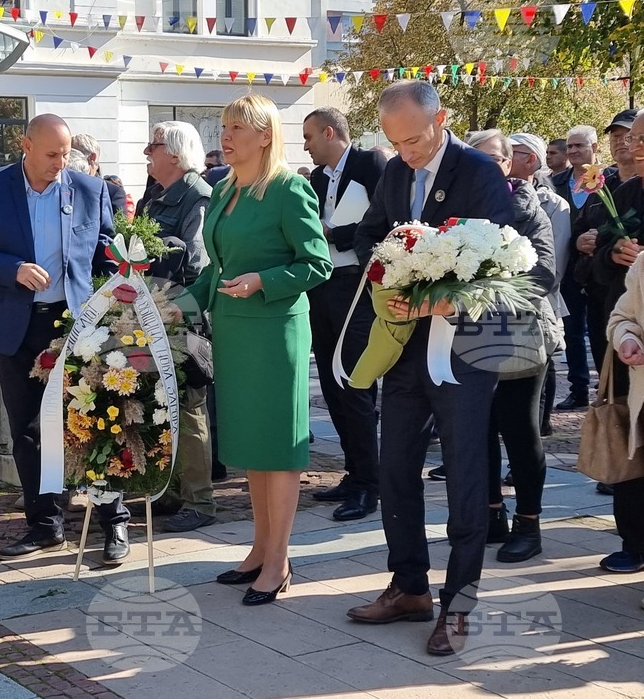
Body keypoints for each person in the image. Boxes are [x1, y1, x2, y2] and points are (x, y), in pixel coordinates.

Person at [349, 81, 513, 656]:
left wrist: (446, 294)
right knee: (394, 464)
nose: (407, 153)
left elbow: (506, 256)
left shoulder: (478, 172)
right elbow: (372, 233)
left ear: (442, 118)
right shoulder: (394, 172)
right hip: (405, 347)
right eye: (396, 143)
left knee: (466, 473)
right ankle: (409, 585)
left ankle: (458, 604)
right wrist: (390, 268)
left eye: (415, 140)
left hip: (466, 348)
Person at [0, 113, 133, 564]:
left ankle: (114, 520)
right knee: (29, 431)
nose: (61, 162)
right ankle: (45, 525)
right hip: (15, 324)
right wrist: (11, 270)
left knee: (96, 423)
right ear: (26, 145)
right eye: (52, 153)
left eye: (66, 153)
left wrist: (126, 281)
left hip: (76, 325)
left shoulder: (89, 190)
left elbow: (108, 253)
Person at [190, 94, 331, 606]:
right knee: (252, 446)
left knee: (278, 447)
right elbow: (218, 269)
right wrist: (170, 302)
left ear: (265, 135)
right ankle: (258, 549)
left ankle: (279, 561)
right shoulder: (225, 188)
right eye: (224, 126)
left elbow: (317, 264)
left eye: (237, 128)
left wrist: (263, 281)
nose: (225, 136)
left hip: (275, 333)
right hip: (233, 330)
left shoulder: (290, 189)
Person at [467, 129, 558, 563]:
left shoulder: (528, 209)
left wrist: (486, 289)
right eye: (475, 160)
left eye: (493, 160)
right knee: (478, 428)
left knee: (519, 430)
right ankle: (491, 514)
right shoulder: (459, 210)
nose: (483, 169)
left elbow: (544, 275)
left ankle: (529, 522)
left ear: (508, 164)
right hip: (468, 335)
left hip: (519, 332)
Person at [302, 107, 388, 521]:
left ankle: (372, 485)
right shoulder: (318, 179)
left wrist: (336, 233)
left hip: (359, 286)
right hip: (324, 287)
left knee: (356, 384)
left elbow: (387, 219)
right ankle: (354, 473)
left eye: (309, 136)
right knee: (333, 386)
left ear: (330, 132)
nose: (305, 145)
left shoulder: (370, 162)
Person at [136, 121, 217, 533]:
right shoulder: (154, 195)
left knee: (188, 407)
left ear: (175, 153)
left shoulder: (198, 195)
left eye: (153, 146)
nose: (147, 153)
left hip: (180, 314)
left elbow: (198, 265)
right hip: (148, 311)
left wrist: (174, 302)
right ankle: (169, 489)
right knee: (158, 406)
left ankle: (200, 501)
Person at [590, 111, 644, 573]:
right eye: (634, 138)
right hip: (627, 336)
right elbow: (592, 269)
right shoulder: (621, 194)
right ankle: (632, 538)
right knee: (628, 435)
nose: (636, 146)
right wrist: (612, 252)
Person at [508, 133, 571, 438]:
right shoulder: (492, 197)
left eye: (512, 152)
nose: (506, 159)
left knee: (534, 392)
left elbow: (553, 264)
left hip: (540, 306)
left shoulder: (553, 205)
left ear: (531, 159)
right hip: (500, 314)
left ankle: (535, 439)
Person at [553, 125, 601, 409]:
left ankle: (605, 389)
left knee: (599, 330)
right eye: (569, 147)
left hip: (598, 270)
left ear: (594, 148)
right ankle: (578, 389)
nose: (572, 152)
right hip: (568, 267)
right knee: (571, 331)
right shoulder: (556, 183)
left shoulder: (608, 181)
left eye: (579, 146)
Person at [71, 133, 127, 219]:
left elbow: (119, 228)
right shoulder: (61, 185)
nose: (70, 158)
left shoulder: (112, 192)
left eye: (76, 154)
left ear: (92, 157)